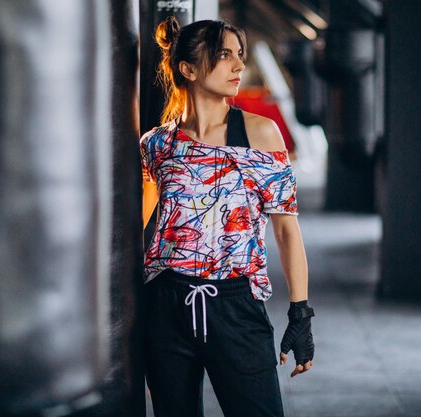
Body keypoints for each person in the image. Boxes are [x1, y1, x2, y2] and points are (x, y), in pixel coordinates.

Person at [140, 16, 314, 417]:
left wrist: (300, 312)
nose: (238, 66)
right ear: (188, 68)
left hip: (235, 306)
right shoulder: (157, 144)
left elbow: (286, 230)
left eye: (240, 55)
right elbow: (142, 228)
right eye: (224, 56)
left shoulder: (261, 134)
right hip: (166, 306)